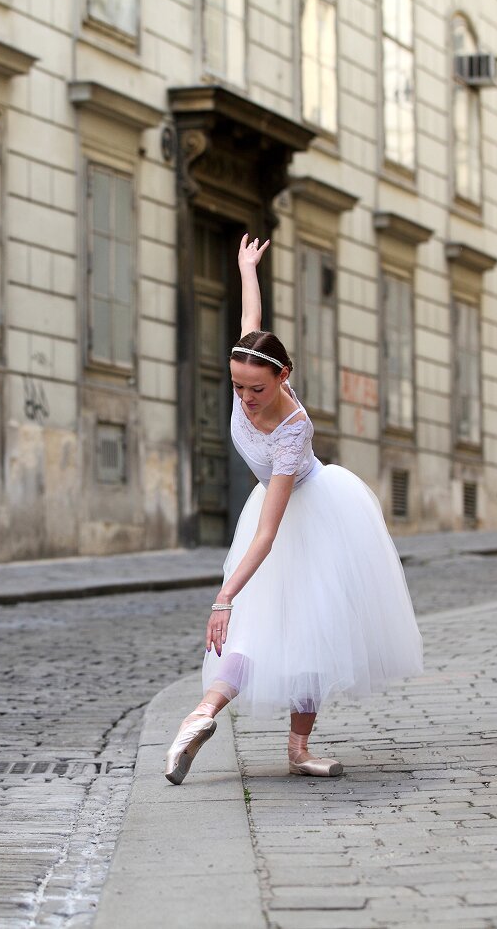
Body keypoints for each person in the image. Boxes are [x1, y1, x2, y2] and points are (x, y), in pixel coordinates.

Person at [165, 234, 424, 785]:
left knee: (312, 632)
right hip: (273, 514)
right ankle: (200, 716)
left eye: (255, 389)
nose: (245, 399)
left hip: (312, 515)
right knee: (259, 632)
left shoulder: (293, 429)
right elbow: (251, 319)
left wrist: (223, 597)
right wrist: (246, 270)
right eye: (237, 387)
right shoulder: (251, 363)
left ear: (284, 377)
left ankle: (297, 749)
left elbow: (269, 531)